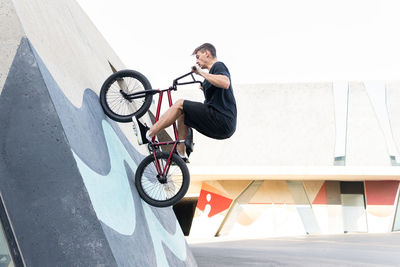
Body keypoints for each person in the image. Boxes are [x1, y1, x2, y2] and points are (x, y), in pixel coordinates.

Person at [132, 43, 237, 161]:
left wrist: (201, 73)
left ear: (207, 53)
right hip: (221, 127)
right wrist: (205, 88)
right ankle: (181, 153)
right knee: (183, 113)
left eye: (197, 56)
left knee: (180, 103)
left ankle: (148, 135)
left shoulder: (218, 66)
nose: (196, 61)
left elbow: (225, 83)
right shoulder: (209, 78)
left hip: (223, 119)